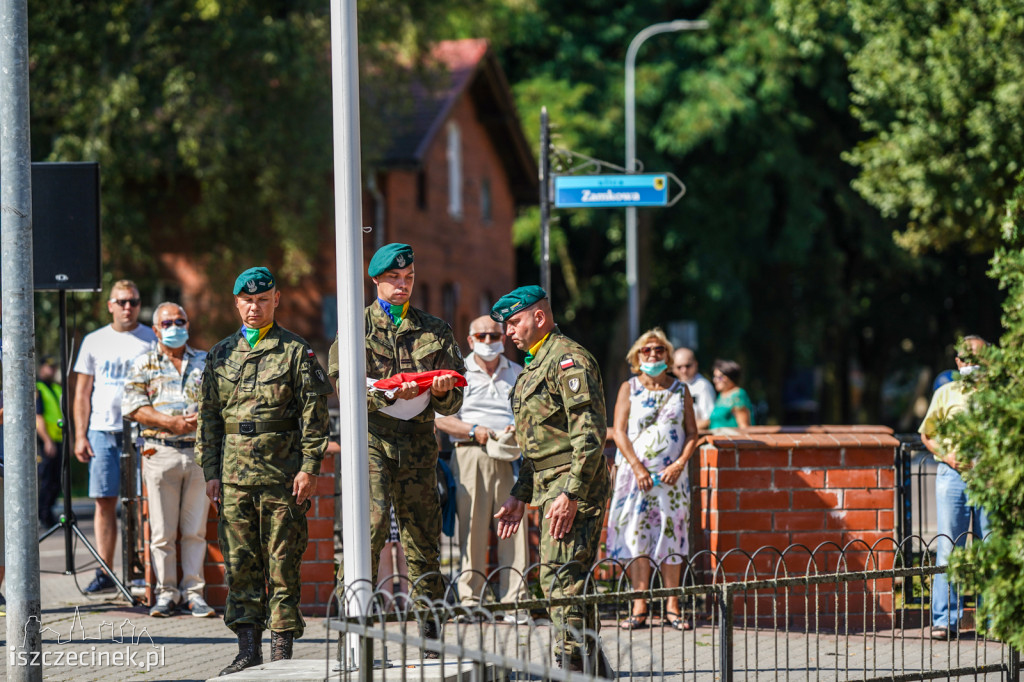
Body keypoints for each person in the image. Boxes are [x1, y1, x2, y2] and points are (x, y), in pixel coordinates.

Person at [328, 243, 465, 652]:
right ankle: (355, 632)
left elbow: (456, 395)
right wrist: (386, 396)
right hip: (371, 441)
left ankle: (430, 633)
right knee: (366, 535)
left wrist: (442, 392)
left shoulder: (435, 329)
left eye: (408, 278)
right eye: (393, 279)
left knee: (423, 540)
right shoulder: (355, 328)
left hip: (419, 445)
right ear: (376, 281)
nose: (402, 285)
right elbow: (343, 387)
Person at [196, 267, 332, 674]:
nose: (254, 308)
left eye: (262, 299)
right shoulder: (219, 354)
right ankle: (247, 650)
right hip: (234, 476)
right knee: (239, 564)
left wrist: (309, 468)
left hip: (282, 476)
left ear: (276, 301)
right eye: (247, 300)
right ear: (236, 303)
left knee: (283, 564)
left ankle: (281, 655)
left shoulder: (295, 351)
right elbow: (209, 418)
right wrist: (210, 472)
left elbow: (315, 417)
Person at [492, 285, 610, 673]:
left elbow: (589, 436)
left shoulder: (568, 361)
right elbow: (537, 443)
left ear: (538, 317)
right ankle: (594, 669)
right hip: (551, 484)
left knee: (561, 581)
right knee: (567, 580)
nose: (508, 331)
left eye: (514, 322)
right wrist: (519, 495)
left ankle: (572, 667)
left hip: (572, 485)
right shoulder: (536, 364)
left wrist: (572, 493)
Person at [434, 315, 529, 620]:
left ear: (503, 337)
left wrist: (518, 428)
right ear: (471, 340)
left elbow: (529, 412)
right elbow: (440, 418)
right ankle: (470, 601)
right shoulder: (457, 373)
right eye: (482, 336)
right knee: (471, 529)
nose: (489, 341)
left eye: (494, 335)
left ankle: (514, 601)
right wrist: (474, 429)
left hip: (509, 454)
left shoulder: (518, 372)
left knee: (513, 529)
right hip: (470, 452)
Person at [123, 302, 213, 619]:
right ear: (157, 328)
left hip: (198, 455)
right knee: (161, 532)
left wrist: (199, 418)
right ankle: (166, 594)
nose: (174, 326)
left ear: (188, 324)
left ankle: (194, 594)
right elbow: (133, 406)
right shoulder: (144, 363)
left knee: (195, 531)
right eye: (167, 322)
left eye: (180, 320)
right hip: (159, 452)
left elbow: (220, 403)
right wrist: (168, 422)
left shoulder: (205, 360)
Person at [607, 329, 698, 631]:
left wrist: (681, 463)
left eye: (659, 349)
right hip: (636, 477)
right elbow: (618, 431)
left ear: (668, 355)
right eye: (646, 350)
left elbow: (693, 433)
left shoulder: (680, 389)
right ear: (637, 356)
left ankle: (672, 605)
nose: (653, 355)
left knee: (672, 535)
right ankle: (640, 604)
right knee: (637, 535)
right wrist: (637, 467)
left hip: (672, 478)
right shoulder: (628, 387)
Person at [72, 279, 157, 593]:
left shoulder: (152, 338)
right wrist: (80, 435)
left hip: (141, 433)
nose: (127, 307)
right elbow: (82, 392)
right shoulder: (95, 340)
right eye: (121, 301)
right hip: (102, 431)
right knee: (104, 501)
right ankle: (105, 572)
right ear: (110, 305)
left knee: (143, 503)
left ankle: (145, 572)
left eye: (133, 302)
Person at [918, 335, 989, 641]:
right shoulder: (946, 393)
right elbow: (927, 434)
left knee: (992, 545)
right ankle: (945, 619)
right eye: (967, 359)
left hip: (991, 477)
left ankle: (993, 620)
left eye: (979, 358)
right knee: (949, 546)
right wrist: (946, 454)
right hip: (953, 476)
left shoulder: (1000, 395)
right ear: (958, 362)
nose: (973, 364)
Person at [36, 356, 63, 527]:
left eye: (54, 367)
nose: (51, 370)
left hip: (58, 439)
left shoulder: (56, 388)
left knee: (56, 480)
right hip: (46, 441)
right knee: (45, 479)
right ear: (41, 368)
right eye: (48, 367)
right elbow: (38, 417)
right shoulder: (38, 388)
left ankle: (49, 512)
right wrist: (47, 440)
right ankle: (43, 514)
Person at [671, 347, 715, 430]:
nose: (684, 370)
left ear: (695, 364)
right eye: (679, 367)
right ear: (672, 368)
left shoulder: (703, 385)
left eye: (688, 366)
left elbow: (708, 419)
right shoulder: (671, 386)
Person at [708, 359, 755, 429]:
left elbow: (744, 426)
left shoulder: (737, 395)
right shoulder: (721, 395)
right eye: (714, 377)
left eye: (720, 377)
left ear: (731, 377)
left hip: (731, 439)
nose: (715, 380)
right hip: (716, 438)